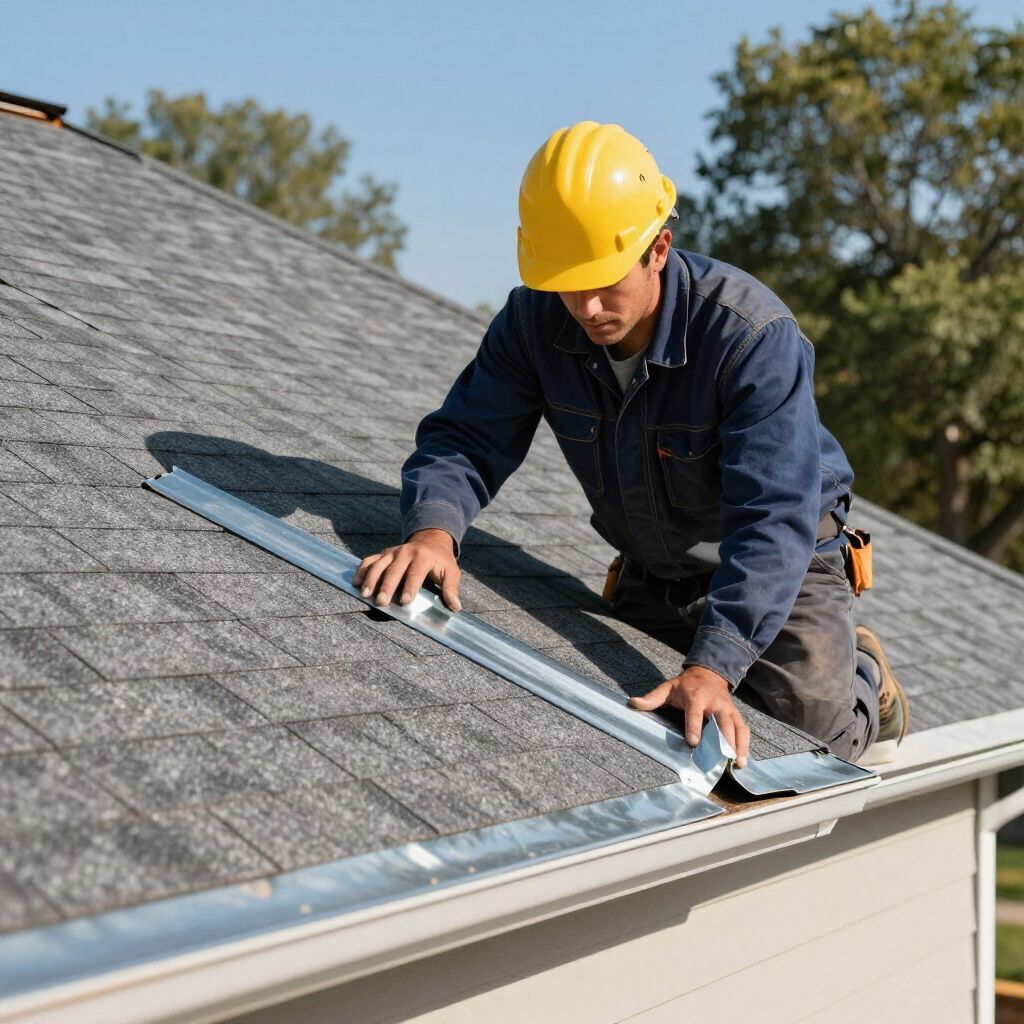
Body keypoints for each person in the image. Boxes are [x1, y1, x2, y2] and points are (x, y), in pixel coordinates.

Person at [353, 120, 910, 768]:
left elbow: (774, 517)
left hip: (786, 556)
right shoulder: (533, 323)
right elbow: (468, 435)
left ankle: (864, 673)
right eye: (567, 280)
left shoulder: (750, 337)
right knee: (631, 712)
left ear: (658, 249)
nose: (586, 307)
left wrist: (715, 663)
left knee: (812, 741)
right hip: (657, 558)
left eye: (603, 279)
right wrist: (433, 533)